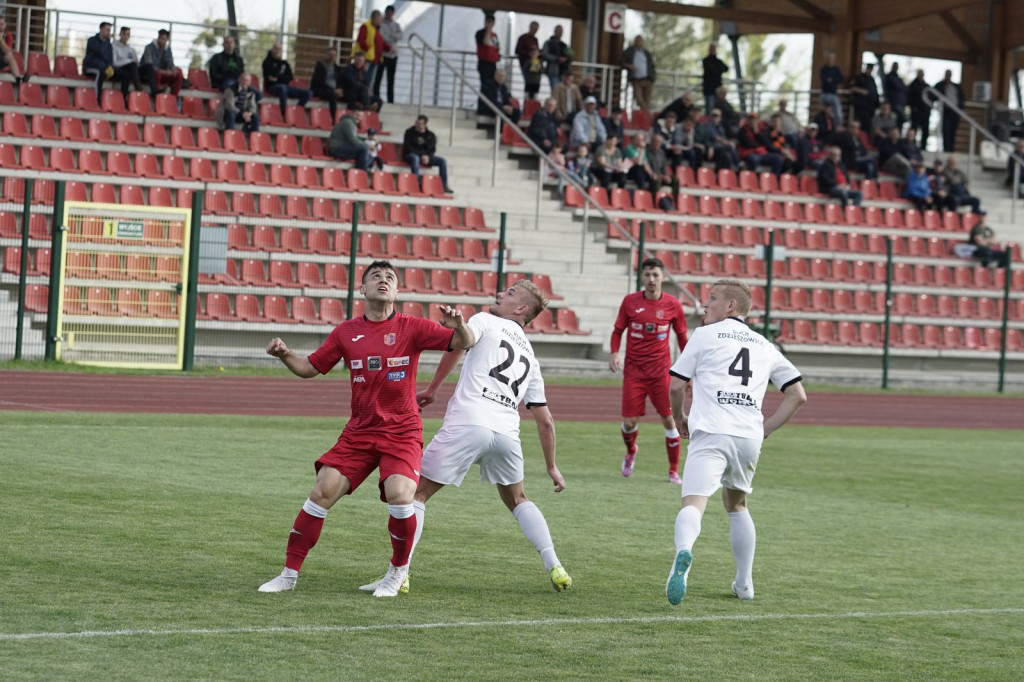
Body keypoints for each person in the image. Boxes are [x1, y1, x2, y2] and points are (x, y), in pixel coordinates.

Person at [257, 260, 474, 596]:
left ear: (397, 291)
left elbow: (466, 341)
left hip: (401, 431)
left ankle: (397, 574)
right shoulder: (346, 332)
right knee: (321, 491)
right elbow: (310, 367)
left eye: (390, 278)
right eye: (375, 276)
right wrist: (285, 354)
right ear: (362, 289)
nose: (383, 280)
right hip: (359, 431)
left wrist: (459, 325)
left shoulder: (412, 327)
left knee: (400, 494)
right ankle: (288, 575)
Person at [359, 280, 573, 595]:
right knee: (518, 499)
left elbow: (463, 341)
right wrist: (551, 466)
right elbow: (546, 421)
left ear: (521, 308)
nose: (500, 293)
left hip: (470, 422)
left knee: (415, 494)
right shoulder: (531, 355)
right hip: (506, 434)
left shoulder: (485, 320)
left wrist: (435, 382)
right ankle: (555, 565)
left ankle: (399, 575)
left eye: (510, 293)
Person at [665, 278, 807, 604]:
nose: (706, 304)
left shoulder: (704, 335)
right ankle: (744, 584)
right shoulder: (765, 345)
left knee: (693, 503)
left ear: (731, 305)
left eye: (712, 298)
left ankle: (683, 554)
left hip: (712, 430)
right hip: (748, 437)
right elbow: (798, 395)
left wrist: (679, 417)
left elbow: (675, 386)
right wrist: (766, 429)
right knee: (737, 505)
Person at [609, 257, 689, 483]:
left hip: (661, 372)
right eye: (647, 275)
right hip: (634, 372)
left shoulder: (673, 305)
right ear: (642, 277)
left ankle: (673, 471)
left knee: (669, 419)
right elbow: (617, 331)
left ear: (663, 277)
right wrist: (614, 353)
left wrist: (689, 368)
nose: (651, 279)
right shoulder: (630, 302)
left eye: (655, 275)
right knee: (629, 422)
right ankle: (631, 451)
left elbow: (682, 337)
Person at [403, 115, 453, 193]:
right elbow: (408, 147)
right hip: (411, 155)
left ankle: (444, 185)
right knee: (415, 158)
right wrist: (421, 155)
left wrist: (428, 157)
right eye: (416, 123)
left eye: (420, 124)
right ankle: (416, 183)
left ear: (424, 124)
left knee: (442, 161)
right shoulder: (409, 132)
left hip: (426, 157)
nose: (417, 125)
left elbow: (432, 149)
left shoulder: (430, 135)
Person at [262, 42, 311, 114]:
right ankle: (284, 113)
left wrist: (278, 78)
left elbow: (290, 77)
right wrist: (281, 76)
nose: (277, 51)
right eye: (276, 49)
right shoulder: (267, 62)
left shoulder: (284, 63)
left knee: (308, 93)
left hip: (286, 87)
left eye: (279, 49)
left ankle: (296, 111)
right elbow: (271, 76)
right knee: (282, 88)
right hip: (272, 87)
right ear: (272, 49)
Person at [139, 29, 183, 98]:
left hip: (163, 74)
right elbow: (149, 65)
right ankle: (156, 97)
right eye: (159, 38)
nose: (160, 40)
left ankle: (173, 98)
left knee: (178, 74)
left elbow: (170, 63)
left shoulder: (168, 49)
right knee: (157, 74)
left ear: (167, 39)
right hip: (149, 75)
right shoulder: (149, 47)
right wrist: (163, 71)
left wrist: (172, 70)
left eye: (163, 39)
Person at [354, 10, 389, 93]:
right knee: (363, 78)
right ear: (375, 18)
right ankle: (361, 93)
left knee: (370, 80)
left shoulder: (375, 29)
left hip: (375, 59)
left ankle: (367, 94)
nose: (381, 20)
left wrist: (389, 48)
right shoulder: (366, 26)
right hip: (367, 57)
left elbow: (380, 42)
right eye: (380, 18)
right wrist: (368, 48)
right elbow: (361, 39)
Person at [375, 5, 402, 104]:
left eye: (391, 12)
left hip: (393, 55)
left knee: (391, 79)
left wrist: (390, 36)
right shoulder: (381, 24)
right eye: (388, 12)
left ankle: (390, 100)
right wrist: (392, 36)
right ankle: (376, 98)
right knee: (378, 77)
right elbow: (381, 36)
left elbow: (399, 36)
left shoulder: (396, 25)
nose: (389, 14)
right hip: (383, 54)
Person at [933, 70, 964, 153]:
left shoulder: (956, 86)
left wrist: (960, 109)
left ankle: (951, 149)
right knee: (945, 130)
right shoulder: (940, 85)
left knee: (953, 131)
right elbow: (933, 95)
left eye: (949, 75)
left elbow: (961, 98)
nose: (948, 76)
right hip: (946, 111)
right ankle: (946, 149)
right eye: (947, 75)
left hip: (955, 112)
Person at [622, 35, 655, 111]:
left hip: (647, 79)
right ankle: (647, 113)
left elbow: (652, 65)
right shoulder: (629, 52)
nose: (639, 42)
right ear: (635, 41)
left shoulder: (646, 53)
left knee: (648, 100)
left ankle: (644, 115)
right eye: (638, 40)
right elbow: (621, 62)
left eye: (640, 41)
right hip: (636, 80)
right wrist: (629, 66)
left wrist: (653, 77)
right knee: (639, 100)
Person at [311, 47, 344, 122]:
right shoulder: (320, 66)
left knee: (350, 95)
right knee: (332, 95)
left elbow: (341, 81)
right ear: (325, 55)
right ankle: (333, 119)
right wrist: (333, 90)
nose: (332, 57)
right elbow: (319, 82)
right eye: (330, 54)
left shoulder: (337, 68)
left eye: (334, 55)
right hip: (321, 90)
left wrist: (340, 89)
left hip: (334, 90)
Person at [111, 26, 142, 105]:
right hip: (118, 70)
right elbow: (114, 62)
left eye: (128, 34)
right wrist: (128, 62)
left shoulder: (131, 49)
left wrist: (130, 63)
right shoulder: (114, 46)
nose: (125, 36)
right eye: (124, 34)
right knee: (128, 71)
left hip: (130, 71)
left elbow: (136, 63)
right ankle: (138, 89)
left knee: (138, 68)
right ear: (120, 34)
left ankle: (125, 98)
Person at [83, 22, 114, 98]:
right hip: (91, 68)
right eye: (107, 30)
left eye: (109, 30)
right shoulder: (92, 40)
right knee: (100, 72)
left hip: (104, 68)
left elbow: (110, 58)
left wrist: (110, 67)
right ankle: (97, 97)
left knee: (122, 74)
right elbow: (101, 51)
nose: (108, 32)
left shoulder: (109, 45)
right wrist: (108, 40)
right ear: (101, 29)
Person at [849, 63, 880, 133]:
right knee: (863, 123)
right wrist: (862, 91)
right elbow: (852, 88)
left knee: (870, 125)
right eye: (869, 68)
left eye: (871, 69)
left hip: (871, 106)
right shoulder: (859, 77)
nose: (870, 70)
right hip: (862, 105)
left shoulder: (872, 79)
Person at [701, 43, 728, 115]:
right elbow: (712, 70)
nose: (713, 50)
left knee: (718, 110)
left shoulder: (718, 61)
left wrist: (717, 69)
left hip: (718, 91)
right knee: (710, 111)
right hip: (709, 90)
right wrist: (719, 69)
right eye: (712, 48)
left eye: (714, 49)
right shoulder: (706, 60)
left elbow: (726, 68)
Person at [819, 51, 844, 126]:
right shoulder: (823, 69)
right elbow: (824, 80)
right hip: (824, 94)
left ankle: (837, 127)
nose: (830, 59)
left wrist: (832, 80)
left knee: (838, 114)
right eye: (829, 58)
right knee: (823, 112)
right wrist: (832, 80)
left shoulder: (836, 69)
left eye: (831, 58)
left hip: (833, 94)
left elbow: (841, 79)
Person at [514, 21, 540, 93]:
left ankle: (533, 97)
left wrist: (538, 53)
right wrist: (529, 54)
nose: (534, 31)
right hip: (525, 64)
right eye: (533, 29)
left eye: (536, 29)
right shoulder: (523, 38)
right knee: (529, 83)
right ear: (530, 27)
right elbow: (517, 50)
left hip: (535, 63)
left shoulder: (535, 39)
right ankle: (528, 97)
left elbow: (537, 50)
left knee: (535, 82)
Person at [475, 13, 500, 87]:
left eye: (491, 22)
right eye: (488, 21)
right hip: (484, 63)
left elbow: (497, 47)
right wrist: (488, 30)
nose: (489, 23)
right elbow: (485, 42)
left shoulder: (494, 35)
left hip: (493, 63)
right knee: (485, 83)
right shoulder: (480, 33)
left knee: (492, 84)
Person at [0, 17, 26, 85]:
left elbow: (8, 51)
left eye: (2, 24)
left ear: (5, 25)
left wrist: (0, 40)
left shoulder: (8, 36)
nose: (0, 26)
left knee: (10, 56)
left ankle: (18, 78)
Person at [542, 26, 569, 90]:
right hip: (553, 70)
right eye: (558, 30)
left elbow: (569, 55)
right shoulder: (548, 43)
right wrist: (557, 58)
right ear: (554, 31)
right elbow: (545, 54)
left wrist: (566, 59)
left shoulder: (564, 45)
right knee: (555, 89)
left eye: (561, 31)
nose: (559, 32)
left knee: (562, 90)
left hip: (563, 71)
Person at [883, 62, 908, 129]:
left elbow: (905, 88)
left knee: (900, 122)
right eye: (895, 67)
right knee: (895, 121)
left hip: (900, 103)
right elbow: (899, 86)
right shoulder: (890, 77)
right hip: (894, 103)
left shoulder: (898, 78)